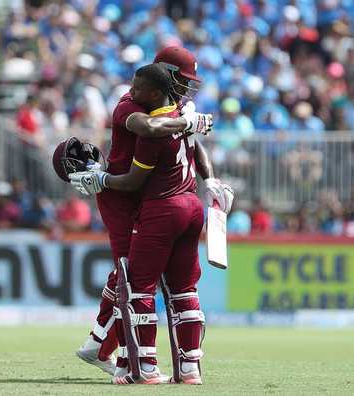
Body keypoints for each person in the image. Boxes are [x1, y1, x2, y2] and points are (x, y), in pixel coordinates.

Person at [59, 47, 233, 379]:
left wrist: (210, 178)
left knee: (134, 283)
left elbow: (192, 142)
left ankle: (127, 360)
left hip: (150, 201)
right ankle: (120, 351)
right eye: (182, 79)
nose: (186, 86)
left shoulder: (170, 108)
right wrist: (186, 122)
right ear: (163, 76)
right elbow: (152, 128)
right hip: (124, 198)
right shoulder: (134, 104)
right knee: (148, 281)